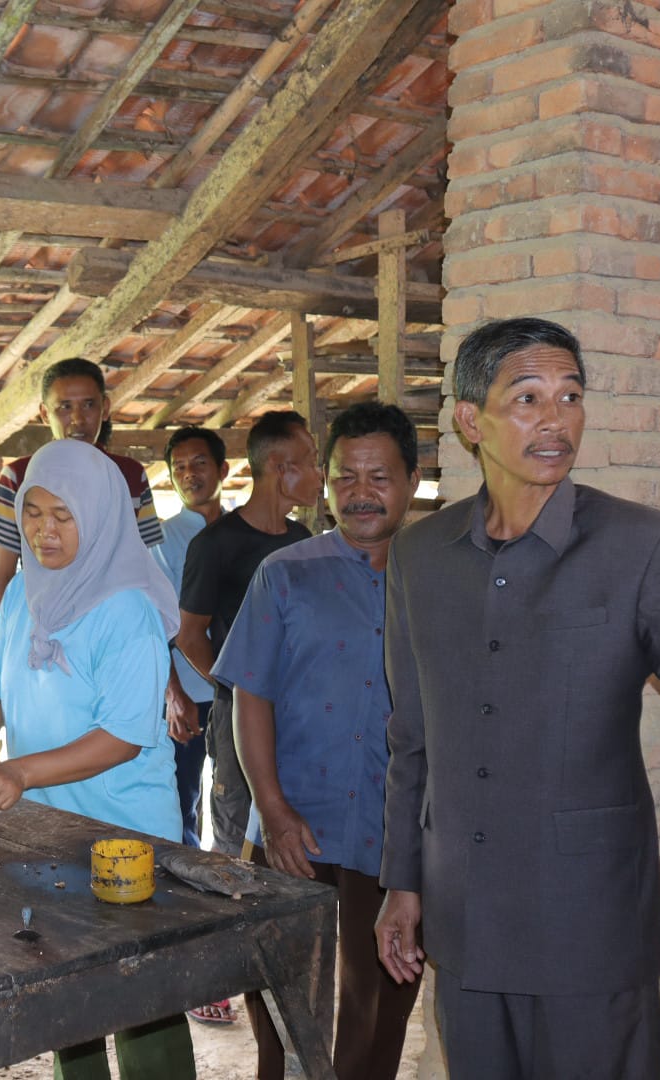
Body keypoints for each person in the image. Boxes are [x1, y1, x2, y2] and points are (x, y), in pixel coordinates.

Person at [374, 317, 660, 1079]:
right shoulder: (419, 556)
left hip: (588, 922)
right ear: (471, 420)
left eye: (570, 396)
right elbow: (412, 736)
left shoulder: (640, 545)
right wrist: (404, 880)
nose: (555, 419)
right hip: (466, 916)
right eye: (528, 397)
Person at [0, 438, 193, 1080]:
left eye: (64, 515)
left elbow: (122, 737)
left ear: (100, 515)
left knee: (142, 994)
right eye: (33, 513)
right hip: (49, 826)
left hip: (125, 830)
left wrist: (21, 771)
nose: (45, 531)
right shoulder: (23, 593)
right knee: (66, 988)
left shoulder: (127, 610)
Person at [217, 402, 422, 1079]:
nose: (361, 493)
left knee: (382, 989)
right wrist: (272, 809)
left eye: (379, 477)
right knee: (279, 988)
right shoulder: (284, 573)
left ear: (412, 481)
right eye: (345, 478)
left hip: (392, 829)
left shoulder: (437, 581)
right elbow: (252, 696)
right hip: (293, 822)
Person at [177, 411, 322, 864]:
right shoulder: (215, 544)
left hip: (298, 715)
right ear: (281, 468)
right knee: (237, 839)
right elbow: (189, 635)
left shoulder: (303, 540)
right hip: (239, 718)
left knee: (293, 827)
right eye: (311, 461)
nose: (320, 474)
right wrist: (239, 689)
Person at [0, 357, 163, 617]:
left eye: (89, 405)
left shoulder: (131, 475)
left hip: (114, 619)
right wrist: (1, 636)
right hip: (41, 619)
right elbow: (3, 574)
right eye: (64, 407)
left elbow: (143, 566)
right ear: (45, 414)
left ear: (105, 408)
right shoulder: (18, 476)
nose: (78, 419)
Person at [151, 426, 229, 848]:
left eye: (199, 463)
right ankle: (184, 880)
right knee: (182, 803)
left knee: (234, 801)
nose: (189, 474)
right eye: (178, 468)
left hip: (240, 693)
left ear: (223, 469)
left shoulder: (243, 532)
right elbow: (156, 624)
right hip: (189, 693)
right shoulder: (163, 539)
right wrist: (172, 694)